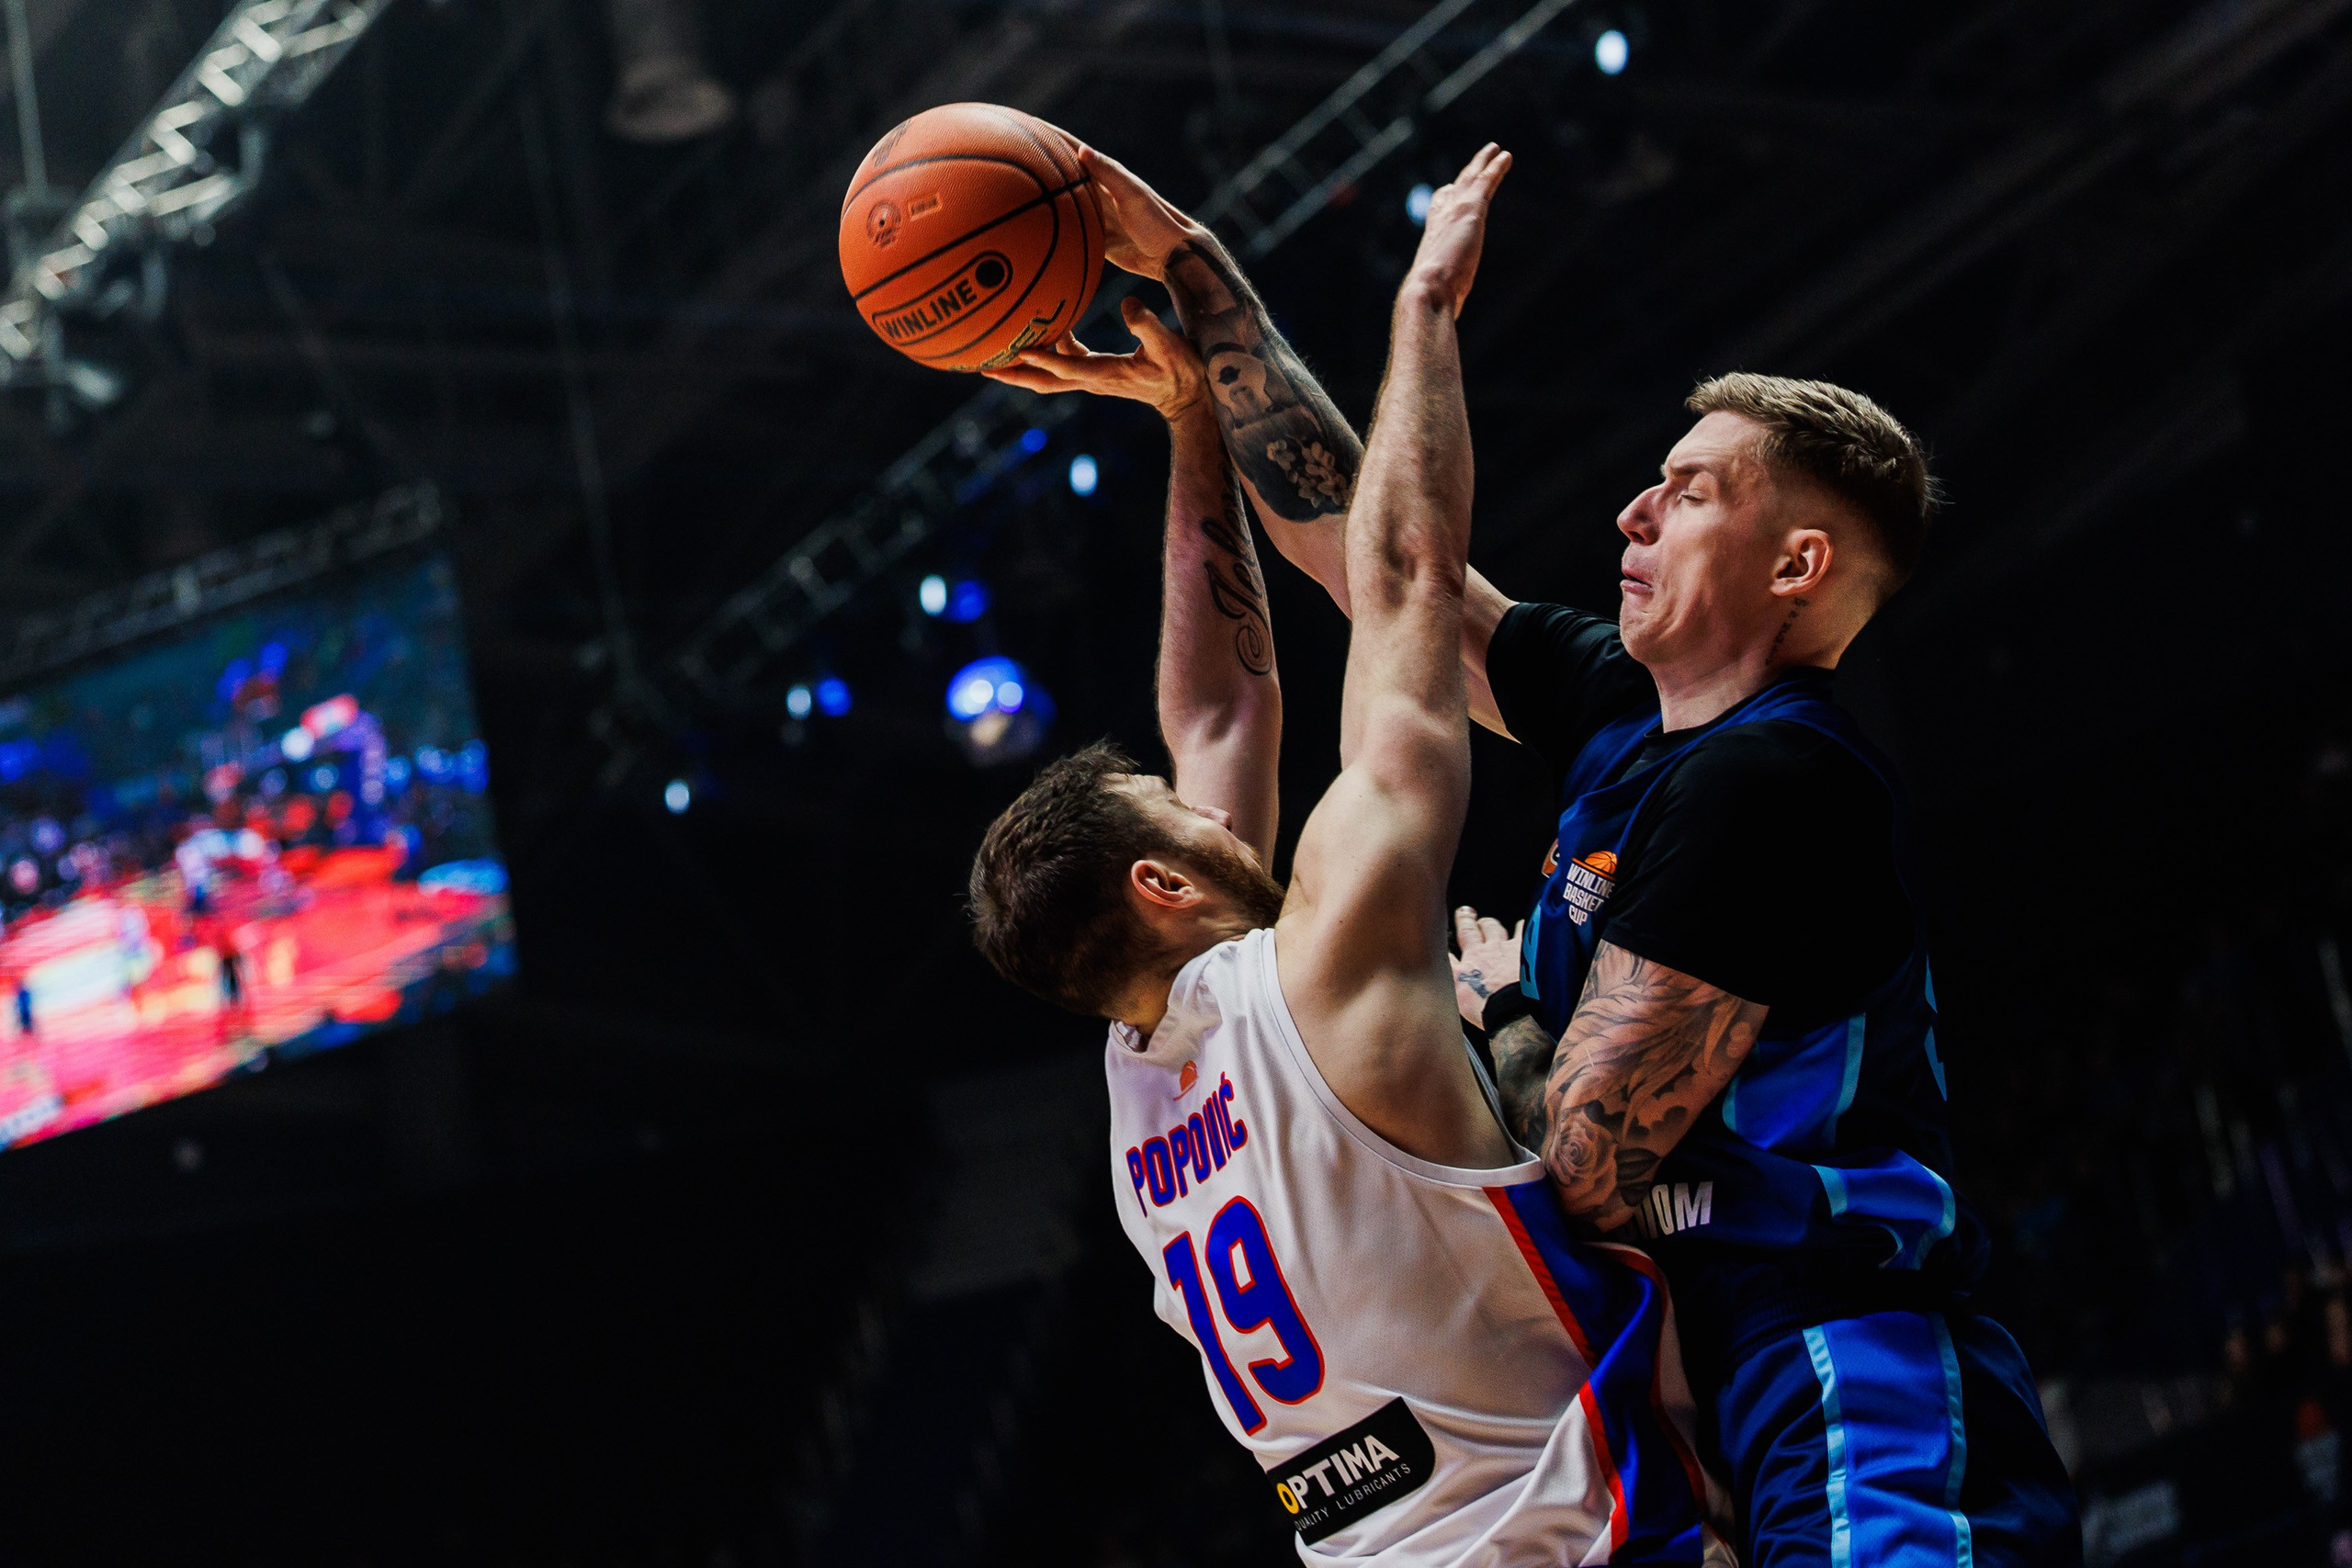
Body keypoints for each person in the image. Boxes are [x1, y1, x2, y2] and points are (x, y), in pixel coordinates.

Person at [989, 148, 2081, 1564]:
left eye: (1688, 493)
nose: (1632, 509)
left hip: (1836, 1353)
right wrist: (1219, 315)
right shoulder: (1627, 721)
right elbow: (1370, 568)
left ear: (1797, 567)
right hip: (1698, 1389)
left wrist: (1504, 1009)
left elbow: (1589, 1161)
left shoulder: (1772, 779)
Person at [970, 147, 1726, 1565]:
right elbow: (1406, 586)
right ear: (1161, 884)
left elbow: (1217, 711)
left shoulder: (1144, 1103)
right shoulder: (1323, 966)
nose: (1215, 800)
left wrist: (1192, 418)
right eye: (1183, 818)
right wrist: (1394, 311)